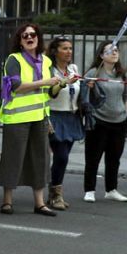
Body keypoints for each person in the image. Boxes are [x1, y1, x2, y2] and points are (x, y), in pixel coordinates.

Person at [0, 23, 67, 216]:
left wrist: (62, 84)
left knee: (41, 159)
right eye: (25, 35)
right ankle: (7, 201)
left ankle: (40, 203)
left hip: (40, 117)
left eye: (33, 34)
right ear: (20, 41)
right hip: (16, 117)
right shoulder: (14, 59)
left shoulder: (46, 61)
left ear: (38, 38)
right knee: (13, 158)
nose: (29, 38)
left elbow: (50, 93)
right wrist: (46, 82)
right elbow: (17, 87)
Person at [81, 42, 127, 203]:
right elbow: (83, 96)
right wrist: (88, 86)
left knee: (114, 158)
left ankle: (111, 189)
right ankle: (89, 190)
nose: (114, 53)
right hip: (99, 120)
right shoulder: (94, 72)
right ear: (102, 55)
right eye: (109, 51)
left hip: (119, 121)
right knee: (93, 157)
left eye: (116, 50)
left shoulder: (122, 73)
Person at [44, 36, 83, 211]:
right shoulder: (49, 70)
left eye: (70, 48)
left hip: (71, 117)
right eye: (64, 48)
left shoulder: (73, 68)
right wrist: (64, 83)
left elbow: (77, 91)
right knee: (61, 156)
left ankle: (54, 191)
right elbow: (51, 93)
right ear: (55, 51)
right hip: (55, 116)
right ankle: (55, 194)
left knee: (63, 157)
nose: (69, 52)